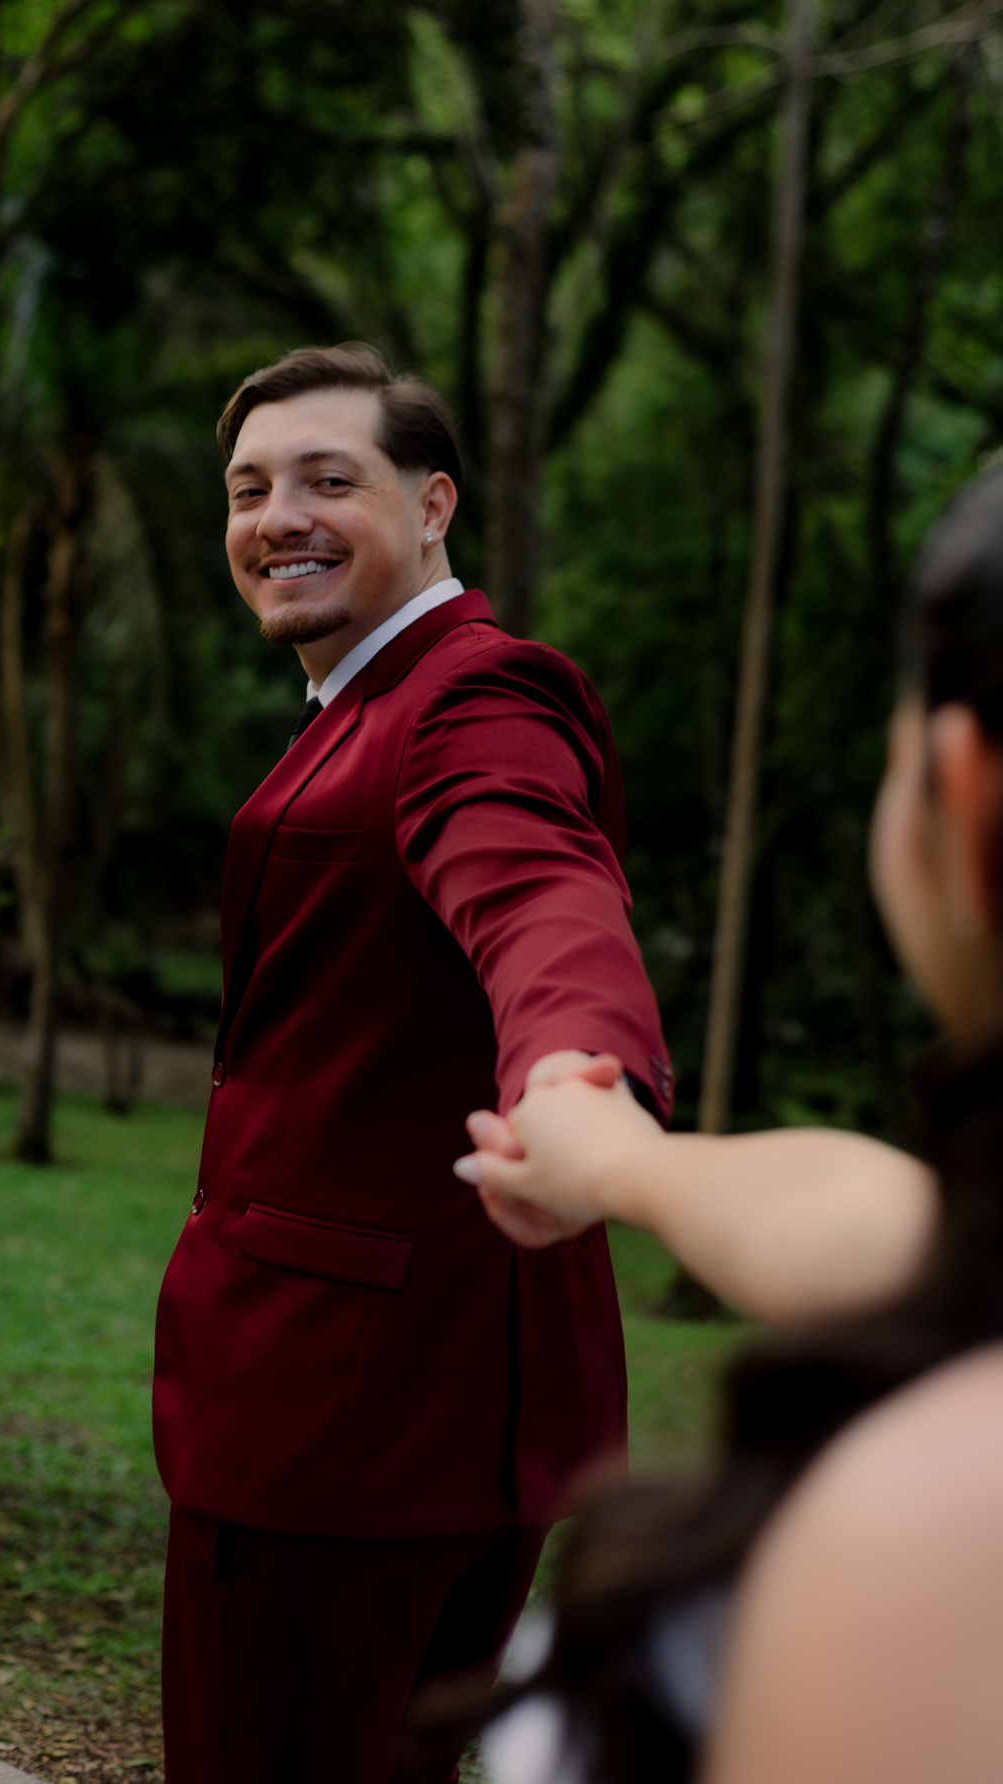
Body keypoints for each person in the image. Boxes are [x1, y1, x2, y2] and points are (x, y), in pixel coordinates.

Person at [151, 343, 674, 1784]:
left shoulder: (469, 702)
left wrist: (577, 1079)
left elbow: (539, 896)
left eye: (330, 480)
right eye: (248, 489)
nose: (279, 518)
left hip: (333, 1416)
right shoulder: (368, 703)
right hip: (452, 1410)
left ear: (434, 504)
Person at [449, 467, 1003, 1783]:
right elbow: (878, 1226)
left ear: (966, 798)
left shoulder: (919, 1544)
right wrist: (622, 1162)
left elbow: (536, 888)